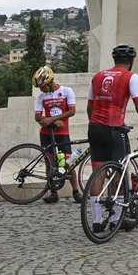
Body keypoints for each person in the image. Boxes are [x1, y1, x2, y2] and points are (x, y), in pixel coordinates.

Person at [84, 44, 138, 233]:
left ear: (114, 61)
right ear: (132, 61)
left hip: (95, 127)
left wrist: (95, 124)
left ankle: (96, 221)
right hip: (115, 129)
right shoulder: (131, 77)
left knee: (98, 172)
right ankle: (115, 220)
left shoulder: (97, 76)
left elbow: (90, 105)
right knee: (119, 173)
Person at [32, 65, 81, 204]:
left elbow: (72, 111)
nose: (41, 90)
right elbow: (37, 117)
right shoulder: (41, 97)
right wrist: (50, 121)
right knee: (50, 163)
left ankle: (76, 191)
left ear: (50, 82)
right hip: (46, 133)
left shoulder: (66, 91)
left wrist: (53, 119)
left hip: (62, 133)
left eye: (42, 87)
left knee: (67, 163)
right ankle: (53, 192)